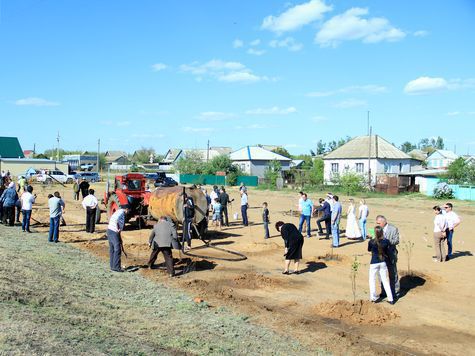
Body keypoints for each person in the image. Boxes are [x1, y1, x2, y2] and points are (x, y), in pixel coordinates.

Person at [368, 226, 394, 304]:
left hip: (374, 262)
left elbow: (369, 249)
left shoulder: (372, 241)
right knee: (385, 280)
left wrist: (372, 238)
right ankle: (390, 298)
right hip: (383, 262)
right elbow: (388, 251)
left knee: (372, 279)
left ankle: (373, 297)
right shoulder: (386, 241)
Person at [375, 215, 400, 299]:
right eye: (377, 223)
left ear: (384, 222)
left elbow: (396, 240)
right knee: (381, 273)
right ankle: (384, 291)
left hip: (390, 254)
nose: (377, 224)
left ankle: (395, 291)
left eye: (379, 223)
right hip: (381, 255)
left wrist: (386, 242)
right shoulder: (377, 229)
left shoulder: (393, 229)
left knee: (393, 273)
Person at [107, 208, 127, 272]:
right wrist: (117, 228)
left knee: (112, 249)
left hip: (110, 230)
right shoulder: (121, 213)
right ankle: (116, 267)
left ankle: (112, 266)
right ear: (126, 209)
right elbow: (117, 220)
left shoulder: (118, 211)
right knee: (117, 249)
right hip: (114, 232)